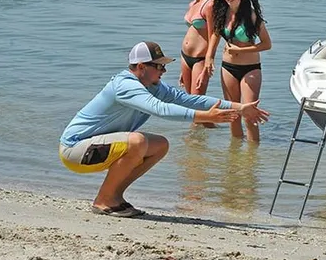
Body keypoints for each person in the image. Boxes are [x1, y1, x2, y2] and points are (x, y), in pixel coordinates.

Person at [58, 41, 269, 218]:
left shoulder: (154, 87)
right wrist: (206, 117)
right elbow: (161, 109)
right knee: (138, 142)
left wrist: (240, 107)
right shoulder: (125, 85)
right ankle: (103, 200)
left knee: (159, 145)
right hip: (75, 150)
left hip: (96, 147)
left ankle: (114, 196)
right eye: (159, 66)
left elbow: (189, 99)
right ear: (141, 67)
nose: (164, 70)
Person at [201, 0, 272, 143]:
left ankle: (252, 154)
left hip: (250, 68)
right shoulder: (221, 13)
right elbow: (215, 35)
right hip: (228, 68)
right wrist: (209, 58)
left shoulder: (252, 16)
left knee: (249, 115)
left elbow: (266, 44)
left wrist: (241, 49)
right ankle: (235, 154)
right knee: (233, 114)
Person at [180, 0, 216, 96]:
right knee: (188, 101)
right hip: (185, 57)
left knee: (197, 101)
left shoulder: (209, 5)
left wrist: (208, 62)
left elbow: (214, 36)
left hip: (200, 59)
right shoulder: (192, 4)